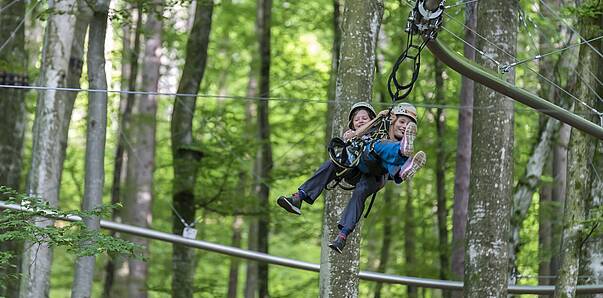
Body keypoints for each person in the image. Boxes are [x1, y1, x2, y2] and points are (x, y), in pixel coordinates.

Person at [277, 102, 426, 253]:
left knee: (362, 189)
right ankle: (299, 197)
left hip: (376, 176)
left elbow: (388, 134)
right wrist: (379, 117)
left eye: (365, 118)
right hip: (356, 167)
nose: (361, 120)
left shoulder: (387, 136)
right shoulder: (358, 134)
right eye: (357, 119)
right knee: (334, 162)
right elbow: (356, 134)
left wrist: (391, 122)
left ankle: (342, 236)